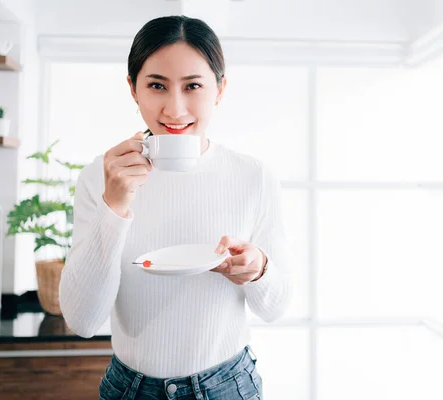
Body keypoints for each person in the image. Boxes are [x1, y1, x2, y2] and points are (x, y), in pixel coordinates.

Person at [58, 15, 292, 400]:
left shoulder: (254, 176)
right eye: (156, 86)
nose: (175, 108)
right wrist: (114, 206)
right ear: (133, 89)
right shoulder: (99, 178)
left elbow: (277, 305)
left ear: (219, 89)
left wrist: (258, 269)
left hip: (227, 386)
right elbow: (82, 320)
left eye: (193, 86)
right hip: (129, 388)